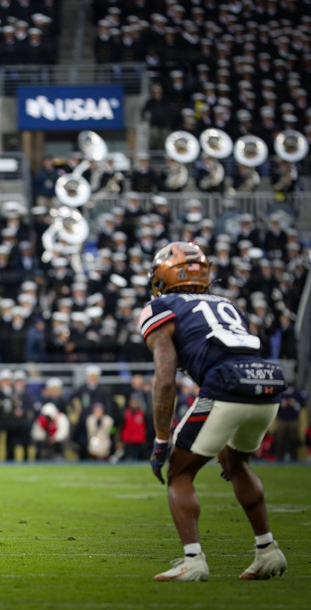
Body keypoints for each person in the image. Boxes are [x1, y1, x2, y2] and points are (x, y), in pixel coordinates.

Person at [141, 242, 288, 582]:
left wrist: (161, 439)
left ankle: (193, 561)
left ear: (164, 275)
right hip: (267, 381)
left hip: (224, 385)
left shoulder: (160, 305)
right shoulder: (227, 304)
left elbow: (165, 379)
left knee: (179, 471)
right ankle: (267, 550)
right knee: (236, 463)